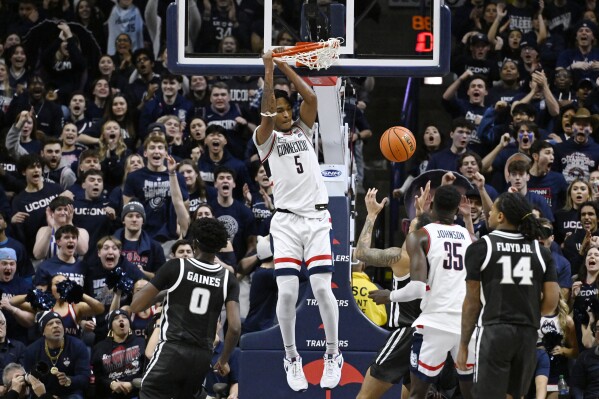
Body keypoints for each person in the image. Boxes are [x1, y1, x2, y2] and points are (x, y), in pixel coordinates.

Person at [254, 50, 342, 391]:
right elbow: (265, 111)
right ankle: (292, 358)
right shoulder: (266, 141)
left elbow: (309, 96)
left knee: (321, 287)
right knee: (288, 293)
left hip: (317, 219)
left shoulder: (304, 131)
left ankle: (333, 355)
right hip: (287, 223)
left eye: (286, 110)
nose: (285, 114)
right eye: (278, 111)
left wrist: (283, 65)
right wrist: (267, 69)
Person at [368, 184, 475, 399]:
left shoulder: (419, 237)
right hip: (465, 325)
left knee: (418, 394)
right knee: (470, 394)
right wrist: (467, 218)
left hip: (434, 324)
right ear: (457, 209)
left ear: (433, 205)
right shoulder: (471, 239)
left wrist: (388, 296)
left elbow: (417, 288)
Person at [457, 192, 560, 398]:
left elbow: (472, 303)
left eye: (493, 210)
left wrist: (463, 344)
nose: (490, 213)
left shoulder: (481, 246)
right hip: (528, 334)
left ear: (501, 216)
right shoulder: (542, 252)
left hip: (495, 331)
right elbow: (551, 304)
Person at [130, 218, 241, 399]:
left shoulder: (177, 266)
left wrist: (167, 292)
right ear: (220, 247)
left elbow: (136, 305)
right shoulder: (228, 278)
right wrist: (223, 360)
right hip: (202, 357)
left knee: (149, 392)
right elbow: (235, 328)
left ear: (194, 243)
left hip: (173, 348)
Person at [356, 188, 432, 399]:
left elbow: (360, 253)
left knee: (365, 396)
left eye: (410, 229)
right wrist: (420, 215)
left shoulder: (401, 258)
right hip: (430, 336)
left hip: (406, 334)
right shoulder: (437, 260)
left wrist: (371, 215)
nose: (407, 232)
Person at [21, 311, 90, 398]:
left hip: (70, 393)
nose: (55, 325)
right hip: (43, 394)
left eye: (58, 322)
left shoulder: (77, 346)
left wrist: (69, 380)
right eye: (50, 324)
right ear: (43, 332)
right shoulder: (31, 350)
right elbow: (29, 379)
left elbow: (85, 378)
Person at [91, 309, 145, 399]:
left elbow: (147, 371)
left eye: (124, 317)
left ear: (129, 323)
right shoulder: (100, 347)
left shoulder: (141, 342)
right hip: (110, 394)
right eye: (116, 318)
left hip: (137, 393)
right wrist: (111, 384)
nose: (121, 319)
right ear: (111, 326)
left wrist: (132, 384)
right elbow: (98, 376)